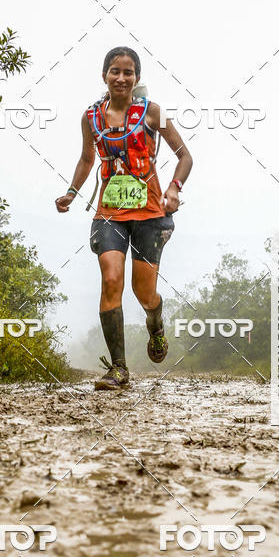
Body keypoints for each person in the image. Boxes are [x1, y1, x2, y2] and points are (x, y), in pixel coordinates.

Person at [55, 46, 192, 390]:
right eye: (115, 71)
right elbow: (87, 159)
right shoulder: (91, 118)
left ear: (137, 79)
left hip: (150, 214)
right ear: (104, 76)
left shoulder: (151, 113)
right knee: (112, 278)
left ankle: (155, 321)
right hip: (109, 214)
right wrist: (71, 192)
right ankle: (118, 369)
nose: (121, 77)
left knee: (143, 292)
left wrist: (174, 188)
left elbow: (185, 156)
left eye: (128, 72)